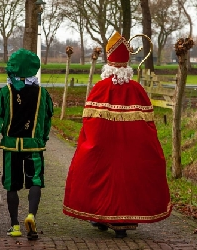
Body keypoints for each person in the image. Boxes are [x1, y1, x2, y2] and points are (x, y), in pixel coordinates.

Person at [63, 31, 172, 238]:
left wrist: (90, 143)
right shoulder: (138, 90)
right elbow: (148, 127)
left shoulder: (99, 89)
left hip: (104, 149)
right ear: (126, 64)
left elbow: (89, 125)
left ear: (108, 64)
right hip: (130, 149)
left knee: (101, 177)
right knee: (126, 179)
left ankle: (101, 217)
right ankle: (122, 222)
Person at [0, 48, 53, 240]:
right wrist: (43, 138)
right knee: (35, 181)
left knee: (12, 186)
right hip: (34, 146)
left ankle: (14, 225)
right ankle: (31, 216)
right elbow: (46, 121)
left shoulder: (5, 92)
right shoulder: (43, 93)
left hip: (11, 147)